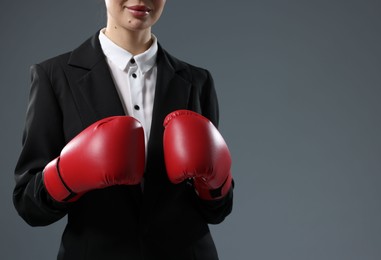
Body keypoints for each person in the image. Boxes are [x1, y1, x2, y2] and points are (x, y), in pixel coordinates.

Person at [13, 0, 234, 259]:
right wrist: (66, 175)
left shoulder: (197, 81)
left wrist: (215, 184)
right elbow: (28, 205)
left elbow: (217, 211)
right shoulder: (54, 76)